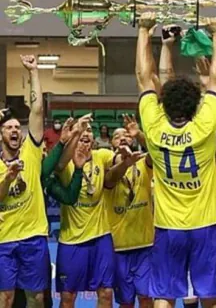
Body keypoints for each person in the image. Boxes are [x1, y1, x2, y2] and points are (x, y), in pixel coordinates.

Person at [136, 12, 216, 308]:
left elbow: (143, 78)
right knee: (210, 295)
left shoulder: (153, 125)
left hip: (167, 226)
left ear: (164, 104)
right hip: (205, 225)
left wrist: (143, 31)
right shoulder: (204, 128)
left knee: (164, 294)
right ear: (194, 106)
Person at [55, 122, 139, 308]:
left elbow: (116, 159)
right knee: (68, 297)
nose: (86, 134)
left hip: (101, 237)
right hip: (72, 241)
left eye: (89, 131)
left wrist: (124, 159)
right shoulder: (65, 162)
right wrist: (73, 137)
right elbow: (58, 163)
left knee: (106, 293)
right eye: (82, 131)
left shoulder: (101, 156)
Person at [0, 55, 47, 307]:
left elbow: (37, 109)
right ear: (1, 134)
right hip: (3, 240)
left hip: (34, 236)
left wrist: (34, 71)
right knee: (5, 299)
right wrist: (8, 177)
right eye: (9, 127)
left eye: (18, 127)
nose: (15, 130)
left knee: (37, 298)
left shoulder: (31, 151)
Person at [105, 120, 154, 308]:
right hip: (118, 246)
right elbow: (111, 179)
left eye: (125, 135)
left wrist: (139, 134)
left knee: (146, 298)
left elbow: (157, 152)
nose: (122, 138)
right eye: (117, 136)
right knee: (126, 302)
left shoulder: (143, 162)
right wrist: (125, 163)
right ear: (111, 144)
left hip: (145, 243)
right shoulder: (105, 165)